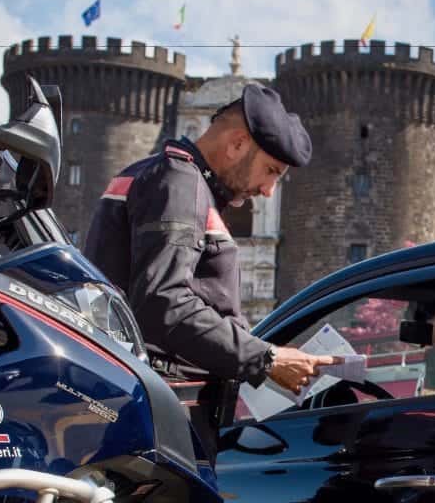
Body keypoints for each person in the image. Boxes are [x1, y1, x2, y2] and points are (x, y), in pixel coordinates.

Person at [84, 83, 340, 459]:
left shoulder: (168, 178)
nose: (269, 190)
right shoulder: (181, 184)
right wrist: (265, 358)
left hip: (153, 408)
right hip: (164, 415)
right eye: (270, 170)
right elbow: (164, 302)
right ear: (237, 144)